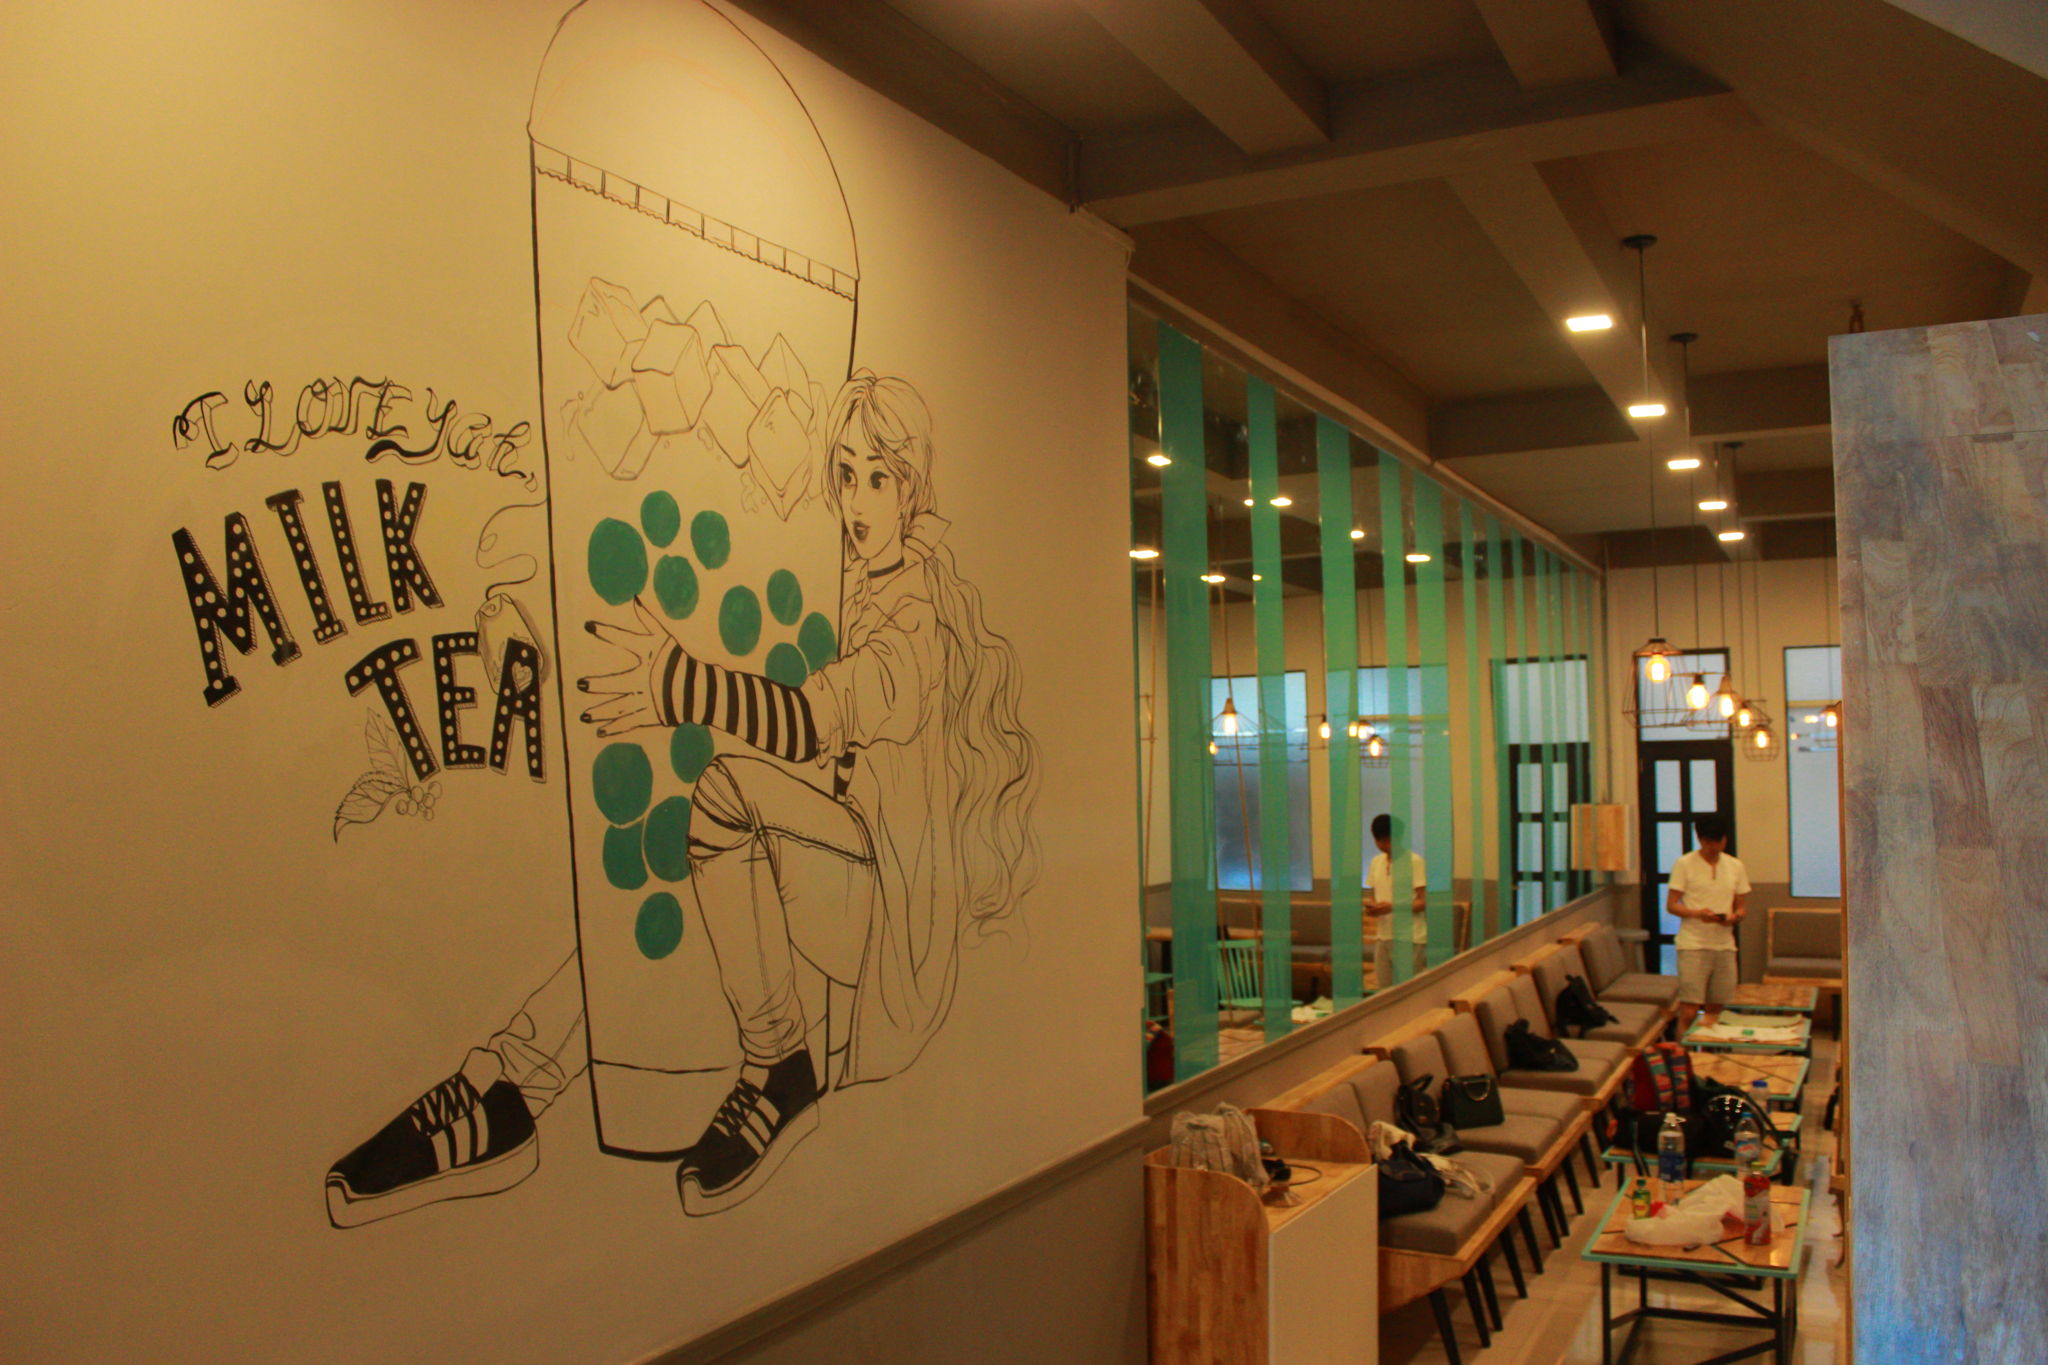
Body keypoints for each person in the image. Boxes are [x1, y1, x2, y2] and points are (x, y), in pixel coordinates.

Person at [324, 373, 1040, 1224]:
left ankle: (776, 1063)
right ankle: (505, 1086)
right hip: (831, 870)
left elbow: (812, 720)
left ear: (912, 489)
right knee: (671, 866)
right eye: (846, 474)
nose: (855, 500)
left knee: (723, 796)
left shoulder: (913, 619)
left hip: (884, 917)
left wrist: (678, 681)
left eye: (877, 479)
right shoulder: (846, 580)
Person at [1667, 814, 1750, 1035]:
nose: (1713, 847)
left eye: (1718, 841)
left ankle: (1710, 1052)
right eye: (1708, 842)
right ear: (1700, 839)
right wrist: (1697, 913)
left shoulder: (1735, 866)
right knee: (1689, 1010)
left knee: (1716, 1010)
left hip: (1724, 946)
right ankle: (1683, 1053)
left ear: (1724, 840)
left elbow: (1742, 907)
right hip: (1693, 945)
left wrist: (1734, 917)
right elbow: (1672, 905)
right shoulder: (1684, 864)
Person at [1366, 813, 1428, 987]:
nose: (1384, 845)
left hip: (1410, 937)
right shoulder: (1376, 862)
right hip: (1383, 936)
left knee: (1407, 990)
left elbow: (1423, 902)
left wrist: (1393, 907)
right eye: (1380, 841)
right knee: (1385, 991)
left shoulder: (1414, 861)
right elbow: (1372, 896)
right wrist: (1372, 907)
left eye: (1388, 840)